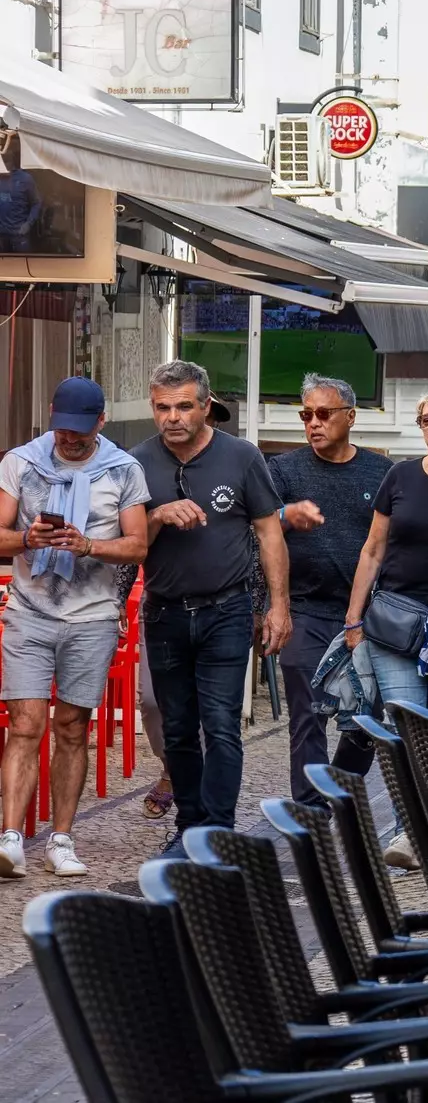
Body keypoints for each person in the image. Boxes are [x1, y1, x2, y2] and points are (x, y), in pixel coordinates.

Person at [131, 360, 290, 849]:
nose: (172, 417)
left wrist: (278, 606)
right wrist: (157, 514)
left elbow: (269, 533)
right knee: (177, 727)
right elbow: (129, 540)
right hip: (164, 612)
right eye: (162, 407)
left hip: (227, 609)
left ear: (205, 406)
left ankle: (218, 832)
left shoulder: (241, 457)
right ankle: (189, 827)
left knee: (221, 724)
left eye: (183, 406)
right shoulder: (136, 462)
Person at [0, 379, 148, 876]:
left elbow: (137, 546)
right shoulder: (22, 462)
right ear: (51, 417)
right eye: (63, 429)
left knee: (71, 728)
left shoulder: (124, 469)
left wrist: (88, 547)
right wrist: (26, 537)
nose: (70, 439)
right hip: (28, 612)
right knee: (25, 724)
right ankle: (11, 837)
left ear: (101, 422)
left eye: (81, 432)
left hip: (92, 619)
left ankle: (61, 838)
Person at [342, 388, 428, 868]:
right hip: (396, 621)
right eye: (424, 419)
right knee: (406, 725)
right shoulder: (399, 476)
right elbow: (373, 550)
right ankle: (409, 832)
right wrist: (354, 618)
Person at [267, 375, 393, 805]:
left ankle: (336, 790)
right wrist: (286, 514)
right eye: (306, 415)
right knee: (307, 716)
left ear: (351, 417)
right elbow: (261, 523)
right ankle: (309, 812)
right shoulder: (284, 469)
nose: (313, 423)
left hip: (367, 617)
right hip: (304, 611)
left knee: (367, 718)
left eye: (323, 413)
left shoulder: (382, 472)